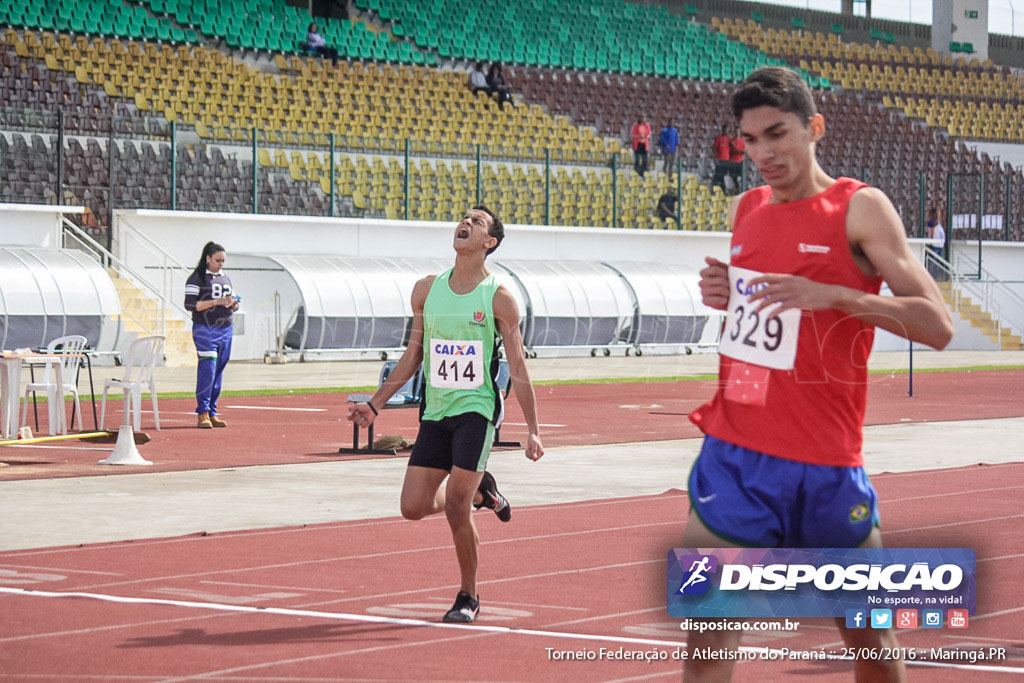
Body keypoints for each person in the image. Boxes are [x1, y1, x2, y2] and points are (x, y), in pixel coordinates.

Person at [685, 67, 953, 682]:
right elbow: (763, 317)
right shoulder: (744, 208)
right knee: (706, 644)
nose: (762, 152)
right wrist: (726, 294)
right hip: (734, 456)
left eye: (776, 134)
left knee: (872, 647)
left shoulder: (859, 208)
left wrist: (832, 295)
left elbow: (935, 325)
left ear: (815, 129)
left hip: (826, 464)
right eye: (749, 139)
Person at [347, 206, 544, 624]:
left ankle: (468, 596)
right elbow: (413, 355)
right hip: (435, 412)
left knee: (454, 504)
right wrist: (375, 404)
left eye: (477, 222)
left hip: (478, 410)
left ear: (489, 242)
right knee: (413, 507)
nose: (466, 223)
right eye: (464, 218)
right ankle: (481, 492)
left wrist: (533, 430)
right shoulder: (425, 290)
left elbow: (519, 366)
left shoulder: (499, 298)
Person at [184, 241, 239, 429]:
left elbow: (232, 301)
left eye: (223, 261)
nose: (221, 264)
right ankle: (203, 412)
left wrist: (233, 304)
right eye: (217, 260)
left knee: (219, 371)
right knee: (208, 369)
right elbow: (191, 305)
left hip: (225, 328)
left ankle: (213, 411)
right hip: (205, 329)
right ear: (208, 258)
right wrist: (216, 302)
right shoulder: (197, 278)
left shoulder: (225, 278)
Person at [925, 206, 947, 280]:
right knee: (932, 261)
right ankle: (932, 276)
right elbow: (931, 224)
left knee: (938, 261)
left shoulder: (937, 224)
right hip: (935, 244)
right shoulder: (933, 223)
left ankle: (935, 276)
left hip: (939, 244)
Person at [711, 123, 732, 192]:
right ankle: (715, 190)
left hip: (727, 160)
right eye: (725, 129)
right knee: (718, 175)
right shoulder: (719, 138)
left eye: (727, 130)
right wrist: (715, 158)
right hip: (720, 159)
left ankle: (723, 190)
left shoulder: (729, 139)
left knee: (724, 176)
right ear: (723, 130)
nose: (726, 131)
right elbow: (714, 148)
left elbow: (733, 148)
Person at [728, 124, 746, 193]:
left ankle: (739, 190)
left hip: (740, 162)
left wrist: (737, 151)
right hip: (733, 162)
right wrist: (738, 151)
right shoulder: (732, 141)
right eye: (736, 131)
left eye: (738, 131)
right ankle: (734, 190)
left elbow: (744, 151)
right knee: (733, 178)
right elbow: (729, 152)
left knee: (740, 178)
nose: (737, 133)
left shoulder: (742, 141)